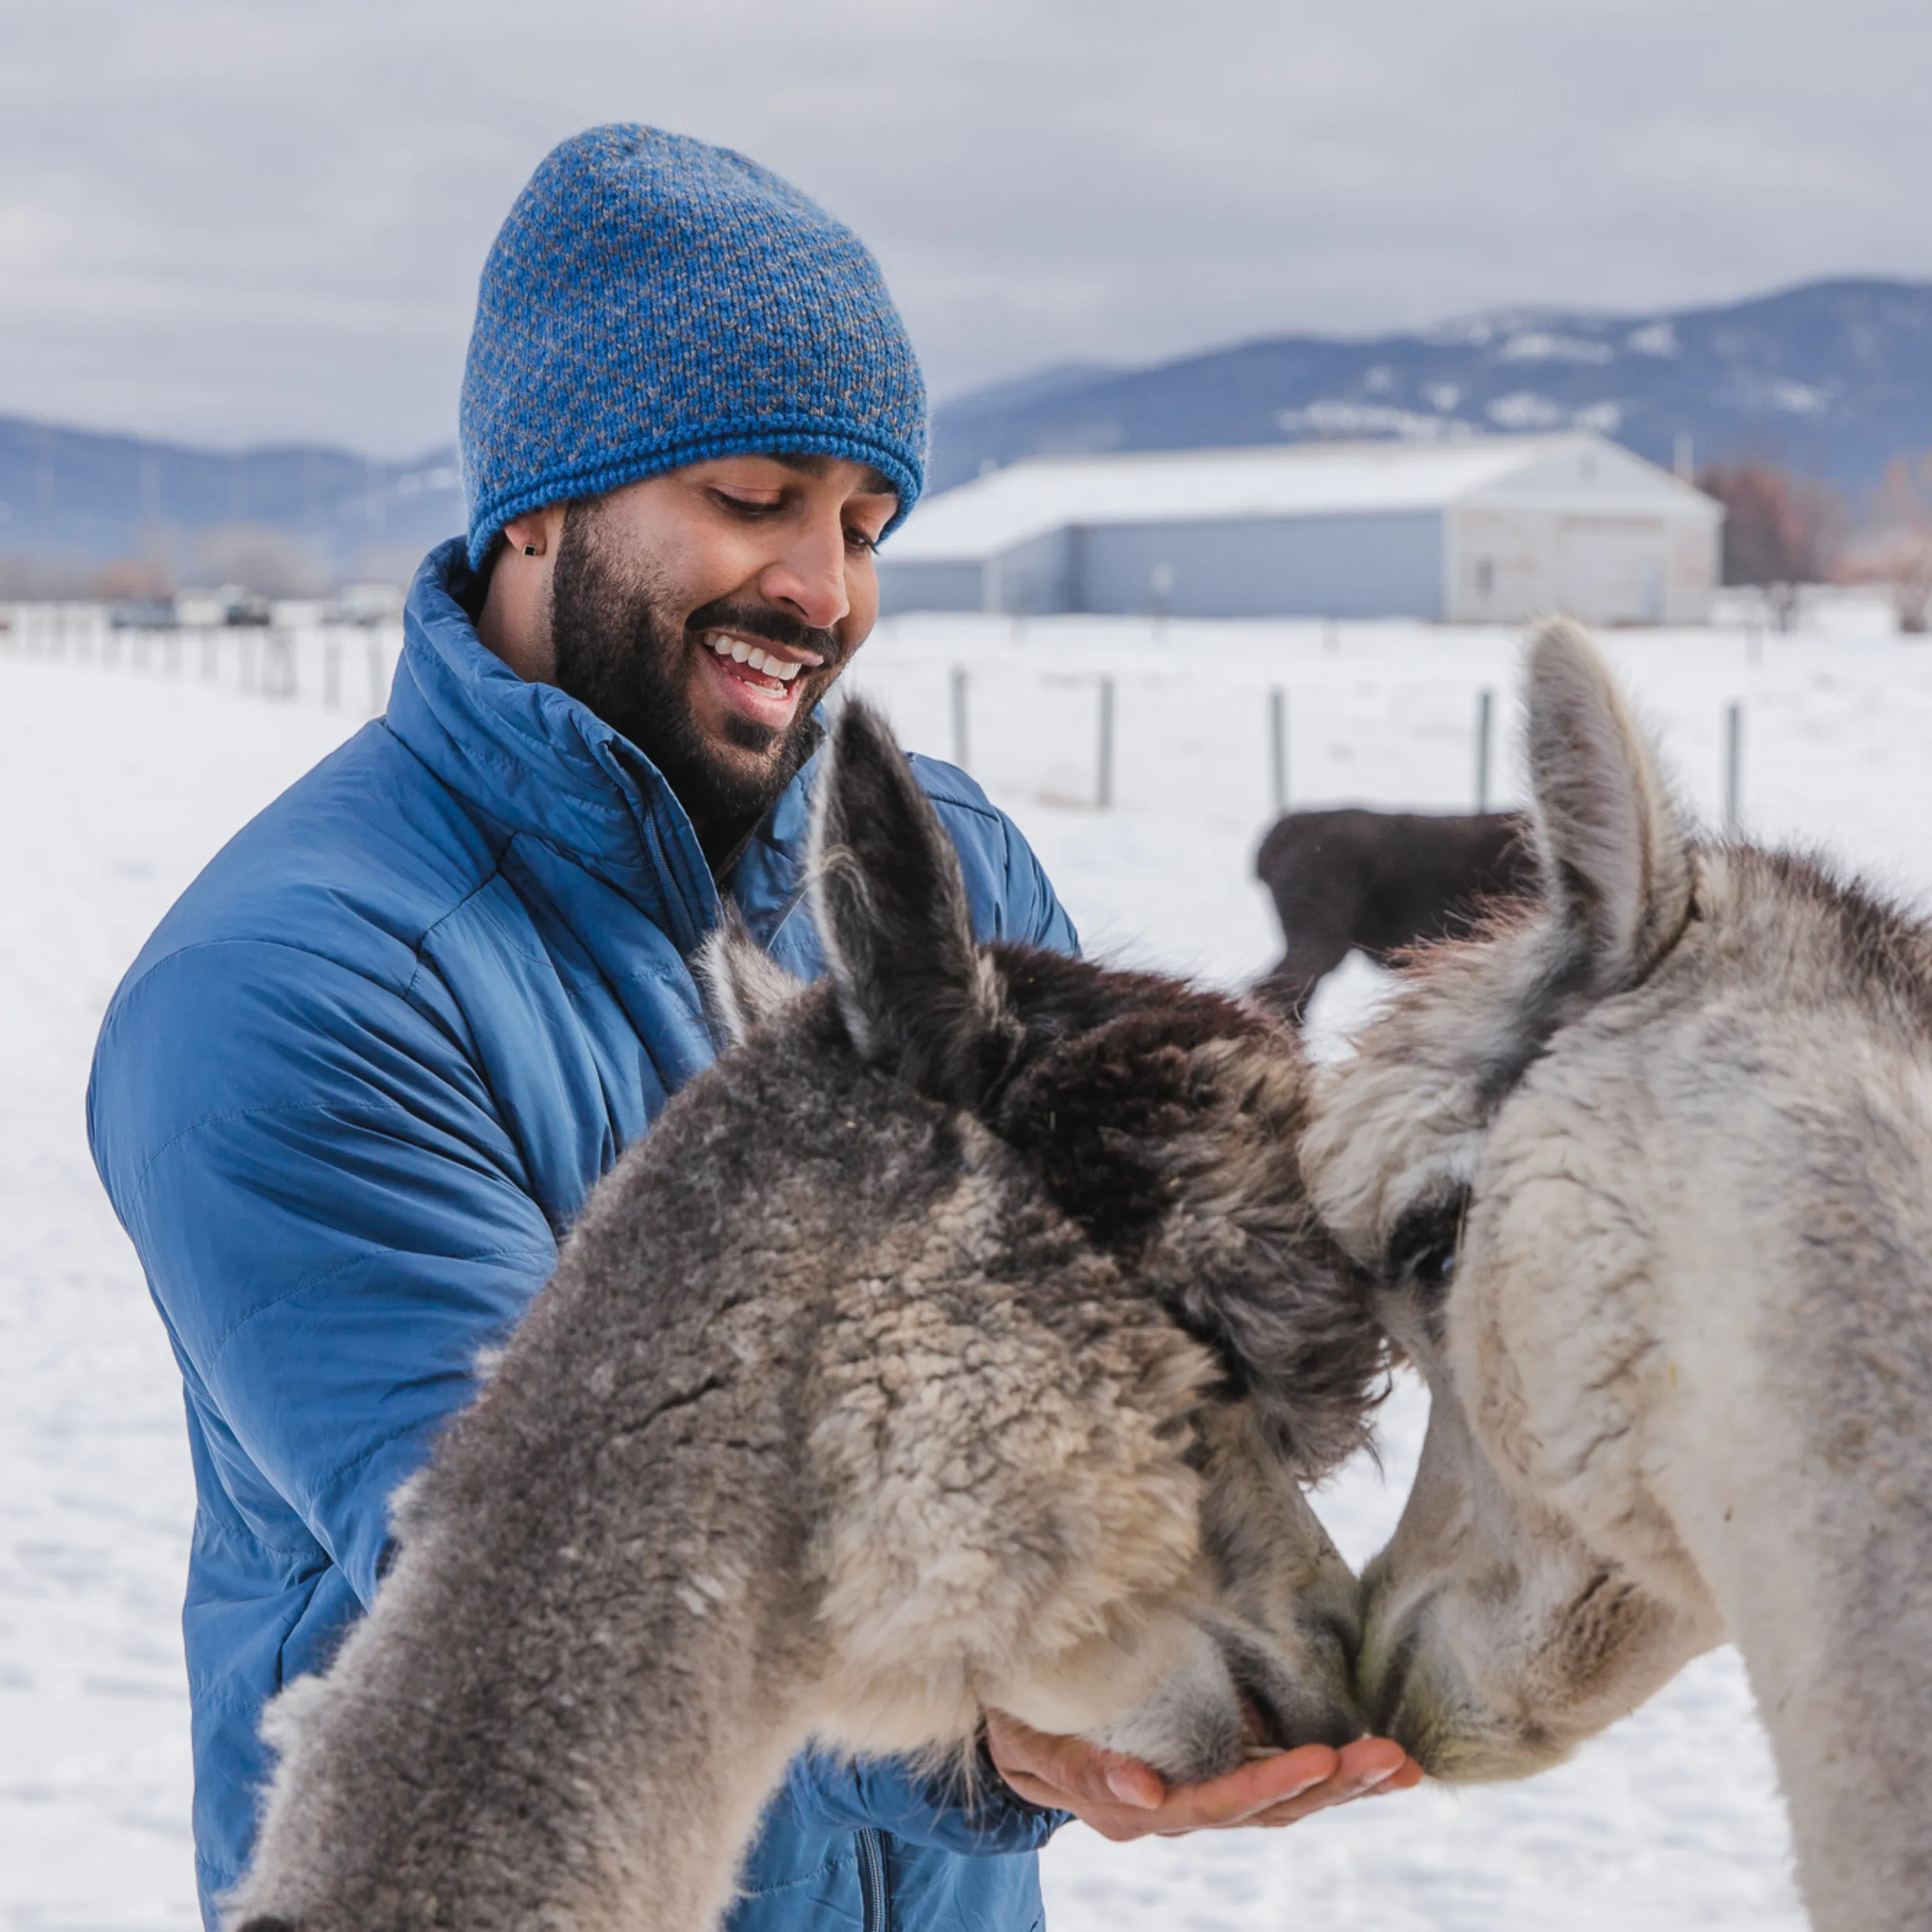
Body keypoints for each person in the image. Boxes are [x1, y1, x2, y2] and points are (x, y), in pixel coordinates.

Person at [88, 125, 1418, 1932]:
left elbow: (1127, 1375)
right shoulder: (299, 985)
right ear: (538, 501)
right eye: (752, 496)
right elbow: (565, 1595)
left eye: (865, 525)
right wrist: (1015, 1730)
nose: (826, 590)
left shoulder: (943, 882)